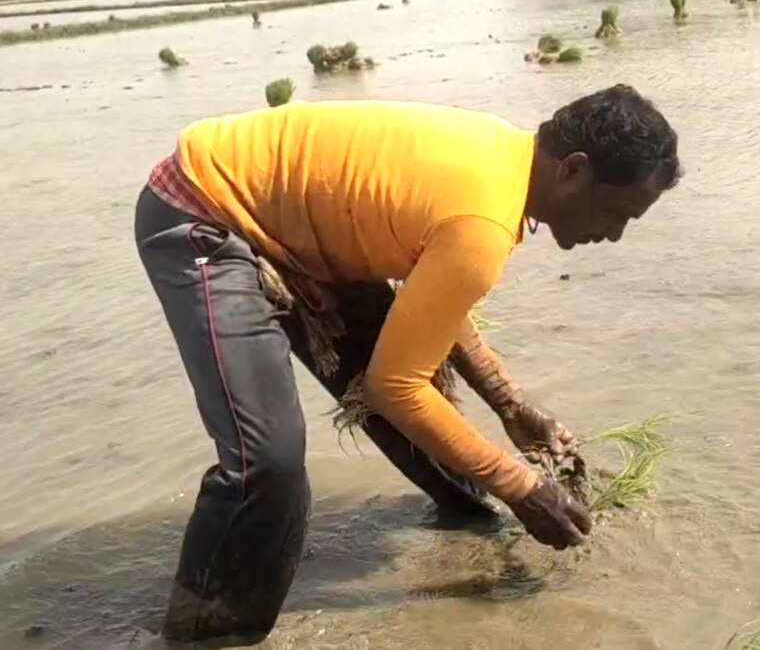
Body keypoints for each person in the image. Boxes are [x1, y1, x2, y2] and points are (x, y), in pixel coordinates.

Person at [132, 83, 682, 644]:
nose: (613, 234)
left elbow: (433, 305)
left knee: (436, 414)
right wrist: (523, 487)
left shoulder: (505, 162)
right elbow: (393, 387)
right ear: (575, 171)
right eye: (616, 212)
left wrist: (511, 406)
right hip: (203, 210)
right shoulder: (483, 219)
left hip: (300, 224)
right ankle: (206, 631)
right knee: (267, 461)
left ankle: (470, 525)